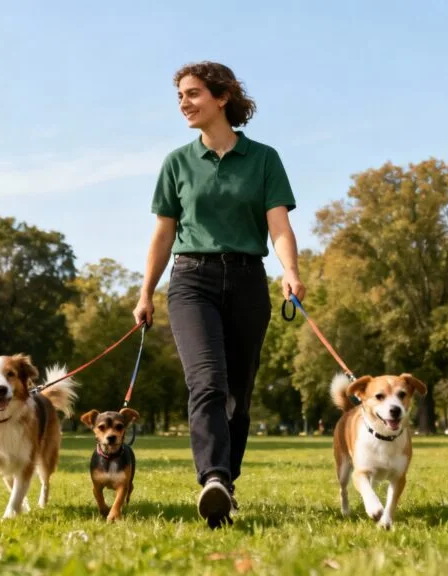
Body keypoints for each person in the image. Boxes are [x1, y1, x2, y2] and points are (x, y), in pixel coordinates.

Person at [133, 61, 304, 528]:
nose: (184, 104)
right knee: (207, 382)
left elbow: (279, 226)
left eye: (193, 94)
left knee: (238, 395)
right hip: (192, 281)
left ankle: (226, 484)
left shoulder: (264, 159)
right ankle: (213, 477)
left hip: (248, 280)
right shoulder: (177, 163)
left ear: (222, 97)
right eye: (180, 97)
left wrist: (290, 272)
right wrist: (146, 292)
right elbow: (163, 234)